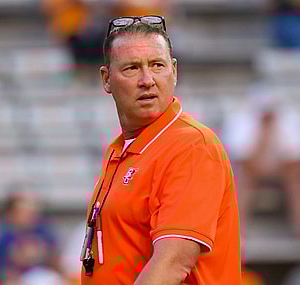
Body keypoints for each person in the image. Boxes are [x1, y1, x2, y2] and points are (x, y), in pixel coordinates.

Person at [79, 15, 241, 284]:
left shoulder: (191, 146)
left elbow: (172, 264)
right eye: (132, 68)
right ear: (106, 79)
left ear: (174, 71)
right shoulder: (121, 149)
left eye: (157, 65)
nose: (147, 80)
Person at [222, 85, 300, 237]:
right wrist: (264, 134)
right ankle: (236, 230)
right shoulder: (241, 119)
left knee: (298, 179)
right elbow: (246, 161)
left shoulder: (291, 120)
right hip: (252, 170)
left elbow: (296, 159)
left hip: (283, 169)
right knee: (242, 180)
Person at [0, 191, 61, 285]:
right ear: (10, 214)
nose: (29, 215)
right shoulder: (3, 237)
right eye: (23, 211)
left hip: (43, 277)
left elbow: (56, 261)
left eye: (31, 211)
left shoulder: (43, 232)